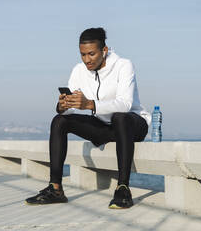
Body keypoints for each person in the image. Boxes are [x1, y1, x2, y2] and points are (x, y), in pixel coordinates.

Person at [25, 27, 151, 209]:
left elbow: (125, 104)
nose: (86, 60)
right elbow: (69, 110)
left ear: (104, 50)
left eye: (91, 54)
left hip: (133, 125)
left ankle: (123, 189)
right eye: (82, 55)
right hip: (103, 125)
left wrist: (90, 104)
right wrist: (63, 106)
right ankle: (55, 189)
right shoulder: (78, 70)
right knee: (59, 120)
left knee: (120, 118)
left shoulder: (124, 65)